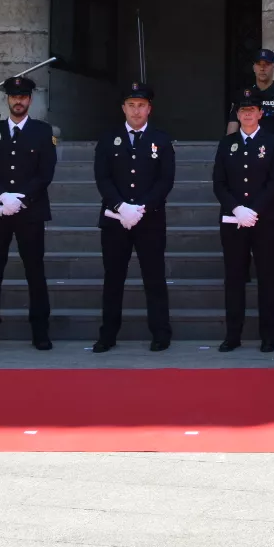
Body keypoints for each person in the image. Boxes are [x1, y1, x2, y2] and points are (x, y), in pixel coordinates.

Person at [0, 75, 58, 351]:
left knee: (35, 270)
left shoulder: (43, 132)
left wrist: (21, 198)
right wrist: (2, 196)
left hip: (29, 211)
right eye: (13, 96)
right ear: (7, 99)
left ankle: (40, 330)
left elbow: (46, 172)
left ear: (30, 100)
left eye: (22, 97)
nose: (17, 101)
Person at [92, 82, 176, 353]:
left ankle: (161, 333)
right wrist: (120, 206)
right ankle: (108, 334)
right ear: (123, 108)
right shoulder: (108, 138)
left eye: (141, 106)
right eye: (131, 105)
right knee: (113, 278)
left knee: (154, 277)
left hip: (149, 220)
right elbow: (102, 177)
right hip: (115, 220)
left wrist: (141, 208)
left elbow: (165, 180)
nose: (136, 111)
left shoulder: (161, 140)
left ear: (149, 109)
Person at [213, 87, 274, 353]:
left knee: (267, 278)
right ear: (238, 114)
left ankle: (268, 335)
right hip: (233, 222)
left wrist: (253, 210)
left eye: (252, 110)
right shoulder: (227, 144)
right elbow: (219, 183)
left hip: (264, 221)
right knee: (234, 279)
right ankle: (233, 334)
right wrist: (236, 209)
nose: (247, 114)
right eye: (243, 110)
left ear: (260, 113)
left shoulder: (271, 143)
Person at [226, 49, 274, 285]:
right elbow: (231, 130)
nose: (263, 68)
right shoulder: (244, 96)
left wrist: (266, 149)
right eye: (258, 64)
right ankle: (243, 269)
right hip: (246, 169)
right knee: (243, 219)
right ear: (253, 67)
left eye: (267, 64)